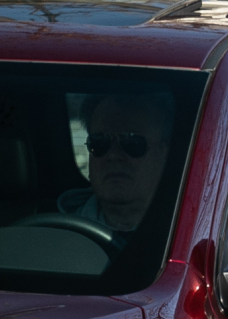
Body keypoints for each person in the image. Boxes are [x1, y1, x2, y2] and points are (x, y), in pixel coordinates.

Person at [56, 94, 173, 233]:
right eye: (99, 143)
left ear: (166, 153)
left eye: (132, 142)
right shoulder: (58, 233)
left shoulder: (192, 234)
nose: (113, 155)